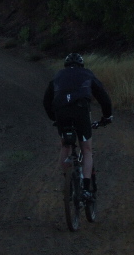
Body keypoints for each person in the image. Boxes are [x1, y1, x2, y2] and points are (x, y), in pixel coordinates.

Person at [43, 53, 113, 200]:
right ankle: (86, 189)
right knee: (86, 150)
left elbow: (46, 100)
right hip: (81, 110)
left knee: (65, 146)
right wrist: (107, 116)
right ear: (82, 65)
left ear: (65, 65)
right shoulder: (87, 74)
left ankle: (68, 182)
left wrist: (54, 118)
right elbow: (103, 97)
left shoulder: (58, 75)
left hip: (61, 112)